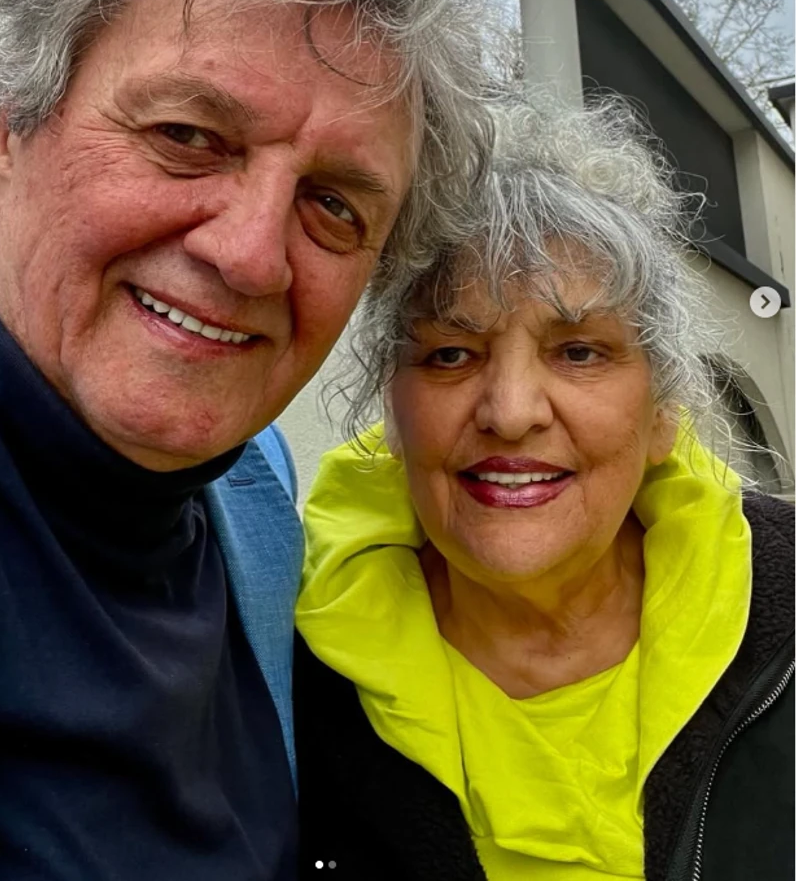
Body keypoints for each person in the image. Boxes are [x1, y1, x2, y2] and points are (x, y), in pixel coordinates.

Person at [0, 0, 494, 881]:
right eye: (188, 136)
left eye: (334, 205)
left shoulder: (258, 493)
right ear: (12, 139)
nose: (250, 255)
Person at [295, 96, 794, 881]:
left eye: (579, 352)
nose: (510, 412)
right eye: (451, 355)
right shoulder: (282, 657)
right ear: (392, 411)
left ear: (663, 412)